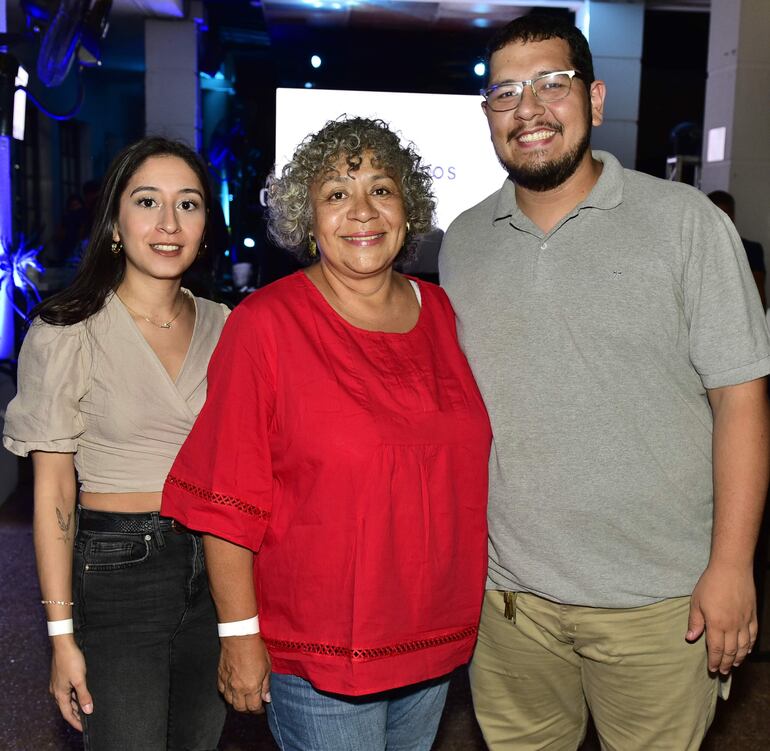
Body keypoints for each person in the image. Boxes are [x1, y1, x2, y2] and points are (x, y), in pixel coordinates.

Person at [439, 14, 770, 751]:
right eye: (506, 92)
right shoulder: (462, 241)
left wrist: (731, 565)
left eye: (551, 84)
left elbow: (740, 400)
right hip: (507, 602)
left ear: (593, 98)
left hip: (658, 602)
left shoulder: (684, 225)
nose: (528, 108)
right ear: (488, 115)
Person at [161, 116, 491, 751]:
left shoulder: (446, 314)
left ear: (408, 205)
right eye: (337, 194)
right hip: (323, 653)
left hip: (432, 635)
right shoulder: (266, 326)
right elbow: (227, 499)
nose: (362, 211)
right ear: (307, 221)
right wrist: (239, 634)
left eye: (381, 189)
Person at [3, 137, 228, 750]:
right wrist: (60, 635)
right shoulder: (67, 329)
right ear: (115, 221)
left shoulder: (227, 326)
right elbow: (53, 492)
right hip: (118, 569)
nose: (167, 223)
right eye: (147, 201)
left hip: (219, 566)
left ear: (208, 224)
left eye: (189, 204)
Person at [708, 190, 766, 309]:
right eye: (713, 217)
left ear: (733, 217)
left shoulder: (751, 250)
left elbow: (759, 302)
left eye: (724, 217)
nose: (719, 222)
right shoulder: (698, 250)